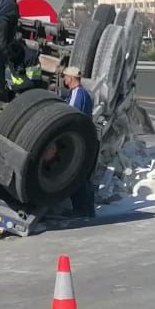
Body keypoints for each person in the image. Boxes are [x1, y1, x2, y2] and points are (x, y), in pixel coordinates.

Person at [61, 65, 97, 217]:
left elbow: (71, 116)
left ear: (70, 78)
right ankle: (87, 210)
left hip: (80, 141)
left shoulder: (78, 94)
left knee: (77, 175)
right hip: (85, 139)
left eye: (65, 77)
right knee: (82, 176)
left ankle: (82, 210)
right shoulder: (81, 94)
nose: (64, 79)